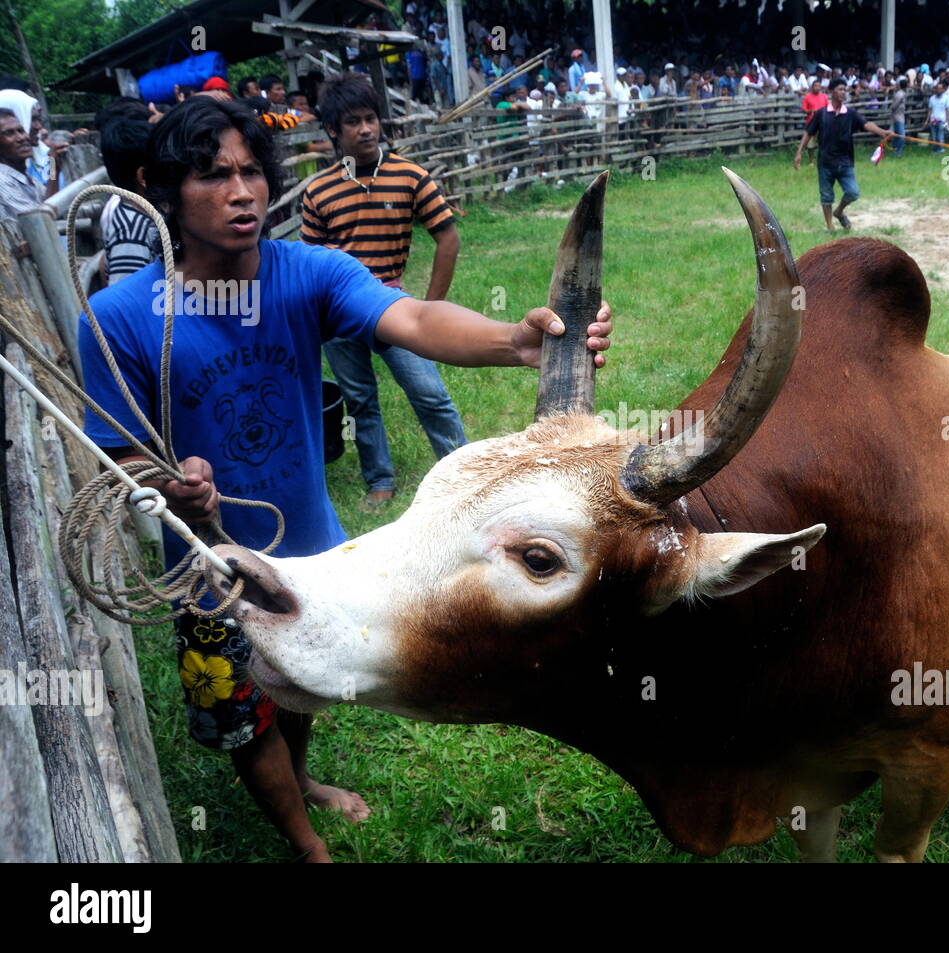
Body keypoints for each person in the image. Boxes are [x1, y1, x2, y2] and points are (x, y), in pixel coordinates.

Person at [77, 96, 613, 862]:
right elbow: (115, 453)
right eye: (213, 176)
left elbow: (415, 320)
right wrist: (165, 479)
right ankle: (306, 840)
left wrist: (515, 342)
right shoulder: (118, 317)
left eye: (252, 172)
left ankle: (304, 775)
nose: (242, 192)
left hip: (314, 550)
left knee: (293, 679)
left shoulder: (308, 272)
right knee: (242, 717)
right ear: (163, 191)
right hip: (209, 570)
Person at [302, 73, 469, 509]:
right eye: (353, 122)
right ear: (333, 132)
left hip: (394, 305)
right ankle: (380, 482)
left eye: (371, 118)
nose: (366, 129)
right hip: (336, 314)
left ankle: (463, 477)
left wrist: (431, 308)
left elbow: (447, 238)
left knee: (430, 394)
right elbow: (311, 262)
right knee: (359, 402)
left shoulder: (410, 177)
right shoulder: (318, 191)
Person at [793, 77, 891, 232]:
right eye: (840, 89)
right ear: (831, 92)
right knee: (826, 196)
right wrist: (799, 152)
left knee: (853, 192)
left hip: (845, 161)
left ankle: (839, 211)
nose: (843, 92)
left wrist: (882, 132)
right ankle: (830, 227)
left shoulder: (850, 113)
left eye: (845, 89)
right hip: (826, 162)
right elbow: (808, 133)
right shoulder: (821, 114)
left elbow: (866, 124)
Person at [94, 98, 159, 283]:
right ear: (143, 177)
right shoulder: (131, 232)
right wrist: (53, 170)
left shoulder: (149, 212)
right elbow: (128, 304)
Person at [928, 80, 949, 152]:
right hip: (933, 119)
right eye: (937, 88)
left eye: (940, 88)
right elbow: (930, 109)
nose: (938, 90)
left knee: (940, 135)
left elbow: (948, 109)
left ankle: (941, 149)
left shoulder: (946, 97)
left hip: (941, 119)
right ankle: (935, 149)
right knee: (934, 136)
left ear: (942, 89)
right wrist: (927, 120)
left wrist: (947, 119)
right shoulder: (932, 98)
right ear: (935, 89)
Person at [890, 76, 909, 157]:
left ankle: (896, 151)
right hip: (897, 117)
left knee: (897, 135)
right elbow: (893, 107)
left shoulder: (902, 93)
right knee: (901, 136)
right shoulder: (900, 94)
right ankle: (897, 151)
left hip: (900, 116)